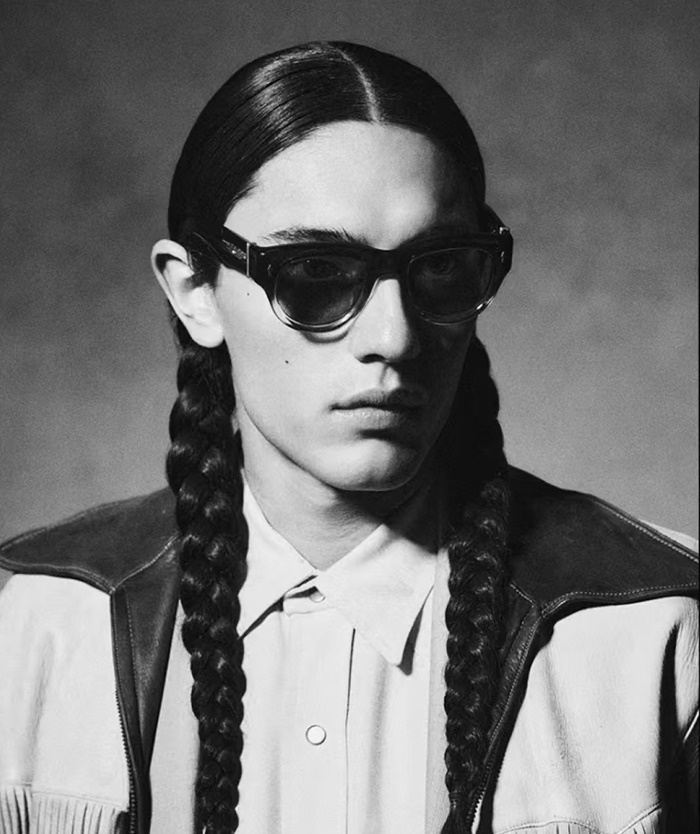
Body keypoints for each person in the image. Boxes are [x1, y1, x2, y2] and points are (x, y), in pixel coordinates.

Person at [0, 40, 697, 834]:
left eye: (440, 266)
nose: (393, 336)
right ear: (195, 291)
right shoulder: (33, 628)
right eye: (316, 272)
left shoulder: (659, 627)